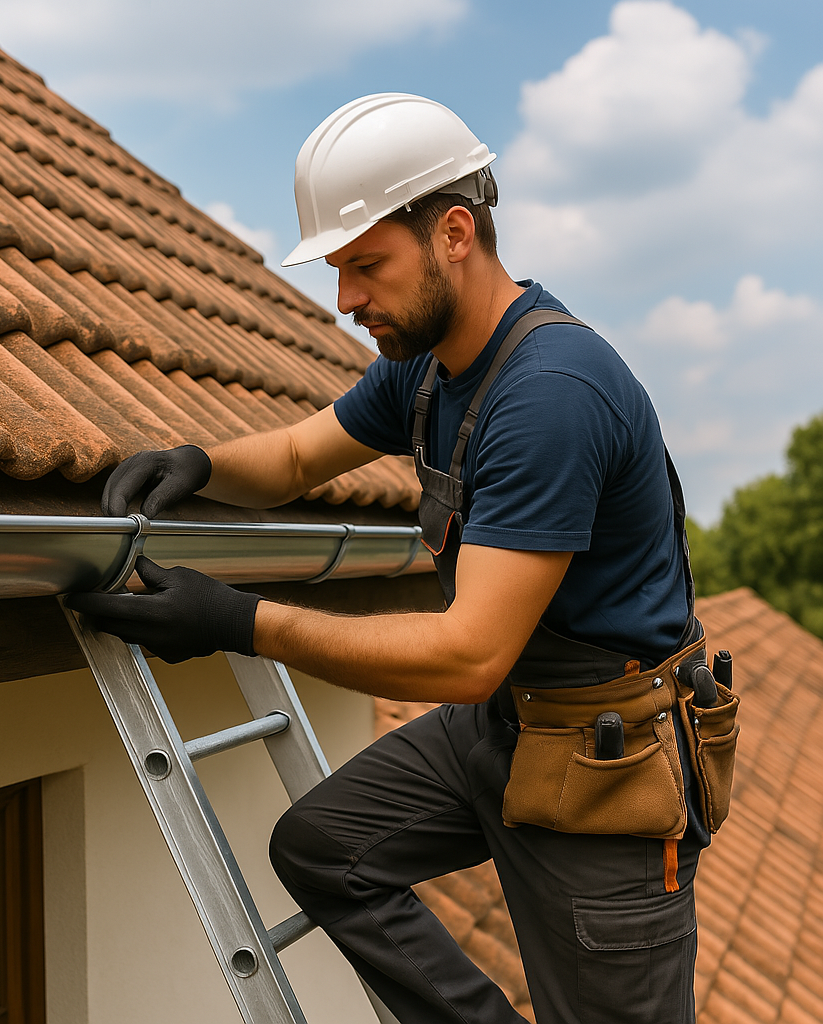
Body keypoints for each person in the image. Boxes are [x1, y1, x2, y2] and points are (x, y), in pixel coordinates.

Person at [67, 94, 738, 1024]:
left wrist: (235, 621)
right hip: (504, 726)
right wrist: (200, 464)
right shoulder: (429, 367)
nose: (346, 301)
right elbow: (297, 457)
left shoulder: (550, 394)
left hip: (604, 768)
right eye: (338, 271)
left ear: (454, 233)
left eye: (365, 265)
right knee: (325, 850)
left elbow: (468, 655)